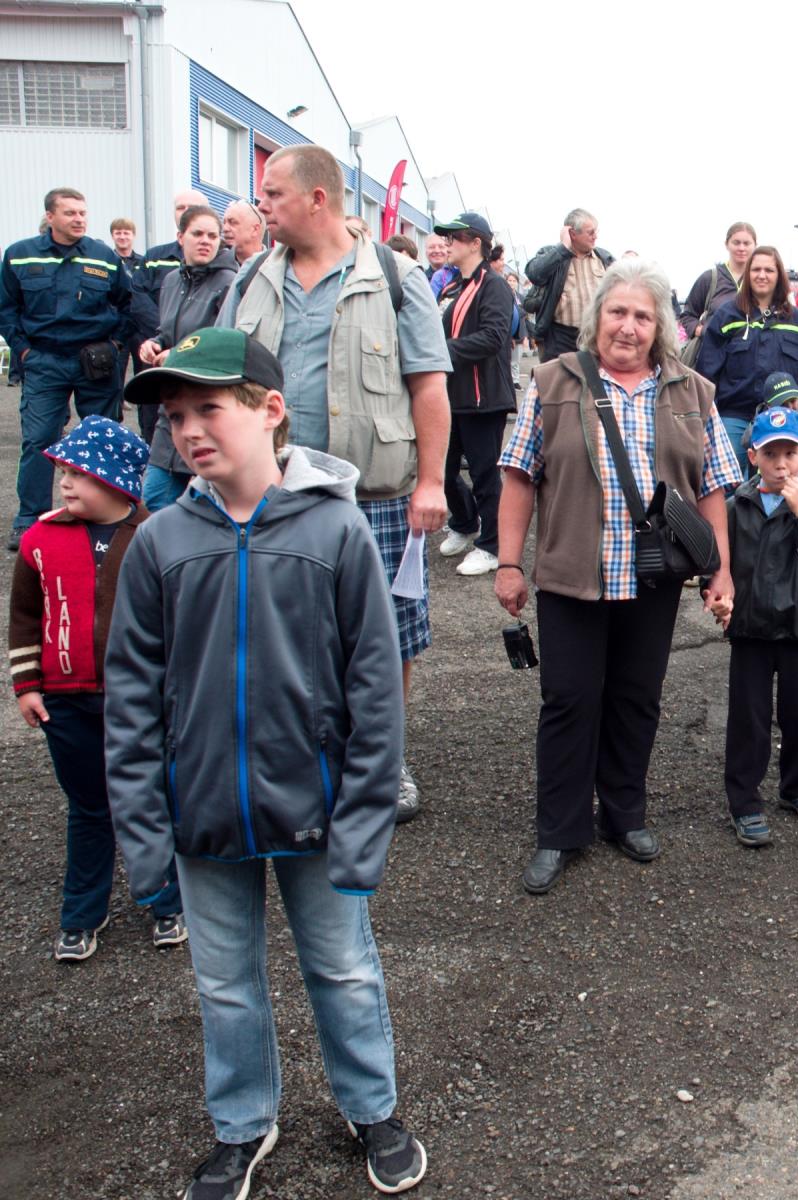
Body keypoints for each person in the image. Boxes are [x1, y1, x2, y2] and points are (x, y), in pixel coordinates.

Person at [106, 328, 427, 1197]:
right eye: (175, 416)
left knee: (343, 969)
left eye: (208, 408)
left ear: (270, 410)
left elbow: (374, 691)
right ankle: (242, 1124)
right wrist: (146, 836)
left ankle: (372, 1108)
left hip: (317, 812)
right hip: (202, 815)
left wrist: (363, 821)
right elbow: (130, 700)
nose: (188, 430)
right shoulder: (160, 543)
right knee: (225, 987)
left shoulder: (336, 530)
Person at [220, 143, 452, 824]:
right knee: (277, 633)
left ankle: (384, 759)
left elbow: (429, 387)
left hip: (374, 496)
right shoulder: (252, 277)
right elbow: (222, 381)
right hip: (273, 495)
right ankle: (296, 757)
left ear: (317, 198)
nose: (262, 205)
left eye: (273, 193)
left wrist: (431, 482)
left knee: (385, 636)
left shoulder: (395, 276)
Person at [496, 258, 741, 896]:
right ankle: (560, 830)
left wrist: (720, 571)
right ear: (596, 317)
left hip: (654, 578)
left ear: (660, 327)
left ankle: (623, 815)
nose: (628, 327)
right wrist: (508, 563)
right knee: (568, 701)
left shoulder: (693, 392)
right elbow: (519, 475)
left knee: (636, 700)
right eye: (617, 312)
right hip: (571, 574)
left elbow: (714, 488)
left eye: (642, 316)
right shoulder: (553, 380)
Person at [8, 416, 185, 961]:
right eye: (62, 472)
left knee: (154, 800)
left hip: (142, 700)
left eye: (77, 473)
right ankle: (82, 911)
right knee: (88, 807)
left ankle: (169, 902)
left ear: (114, 480)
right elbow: (23, 617)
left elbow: (180, 622)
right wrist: (27, 685)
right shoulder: (40, 540)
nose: (64, 483)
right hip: (65, 700)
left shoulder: (156, 536)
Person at [722, 405, 798, 847]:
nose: (781, 465)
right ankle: (744, 801)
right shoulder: (737, 506)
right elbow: (720, 565)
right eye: (770, 454)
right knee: (748, 719)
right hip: (751, 629)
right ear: (753, 456)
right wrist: (719, 598)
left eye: (790, 454)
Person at [0, 187, 135, 552]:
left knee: (100, 438)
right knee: (39, 440)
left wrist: (115, 346)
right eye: (70, 213)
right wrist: (24, 351)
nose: (79, 219)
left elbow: (127, 305)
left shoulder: (104, 256)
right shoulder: (19, 255)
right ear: (50, 216)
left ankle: (104, 515)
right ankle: (30, 521)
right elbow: (6, 309)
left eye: (82, 213)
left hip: (95, 362)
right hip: (44, 361)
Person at [137, 204, 238, 512]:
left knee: (208, 512)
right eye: (198, 234)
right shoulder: (171, 281)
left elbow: (226, 341)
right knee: (155, 504)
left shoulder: (231, 282)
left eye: (213, 235)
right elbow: (167, 331)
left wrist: (179, 353)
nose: (206, 241)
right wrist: (154, 343)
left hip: (209, 411)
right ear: (181, 237)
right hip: (170, 412)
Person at [433, 212, 516, 578]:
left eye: (453, 238)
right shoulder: (454, 285)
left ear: (475, 243)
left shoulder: (493, 285)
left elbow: (494, 336)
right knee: (443, 469)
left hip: (484, 399)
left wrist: (442, 350)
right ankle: (466, 522)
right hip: (451, 395)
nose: (446, 243)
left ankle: (493, 545)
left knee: (484, 475)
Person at [694, 244, 798, 454]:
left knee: (784, 475)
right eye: (756, 270)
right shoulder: (727, 316)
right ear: (748, 273)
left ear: (779, 276)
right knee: (732, 475)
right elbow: (707, 370)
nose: (762, 275)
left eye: (769, 270)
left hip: (785, 418)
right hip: (735, 418)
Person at [524, 208, 614, 361]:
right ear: (572, 234)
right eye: (590, 232)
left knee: (596, 376)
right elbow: (534, 274)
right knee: (560, 376)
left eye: (596, 231)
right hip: (560, 339)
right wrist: (563, 249)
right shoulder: (552, 254)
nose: (595, 236)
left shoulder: (604, 258)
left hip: (596, 336)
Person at [680, 222, 758, 339]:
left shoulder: (761, 280)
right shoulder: (710, 278)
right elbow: (688, 314)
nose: (741, 248)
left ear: (755, 245)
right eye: (736, 243)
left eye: (746, 243)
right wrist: (701, 331)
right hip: (714, 348)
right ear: (727, 244)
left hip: (751, 348)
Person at [222, 199, 267, 268]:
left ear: (255, 229)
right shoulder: (215, 265)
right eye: (224, 223)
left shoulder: (276, 268)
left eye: (233, 222)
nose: (225, 229)